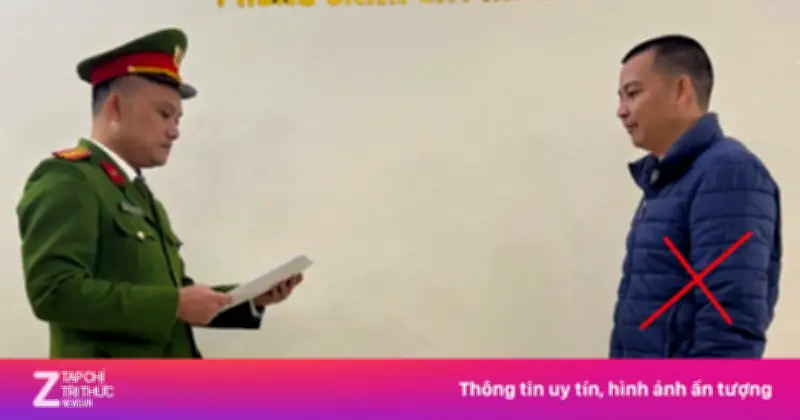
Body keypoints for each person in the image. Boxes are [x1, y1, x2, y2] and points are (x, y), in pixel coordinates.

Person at [16, 28, 303, 358]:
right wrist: (174, 304)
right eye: (164, 114)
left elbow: (171, 295)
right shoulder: (69, 179)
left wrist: (249, 297)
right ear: (115, 107)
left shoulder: (136, 194)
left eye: (178, 119)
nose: (175, 131)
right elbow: (54, 293)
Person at [609, 34, 781, 358]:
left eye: (633, 93)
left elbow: (729, 323)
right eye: (620, 97)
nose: (621, 110)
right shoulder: (668, 179)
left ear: (682, 90)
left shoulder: (728, 173)